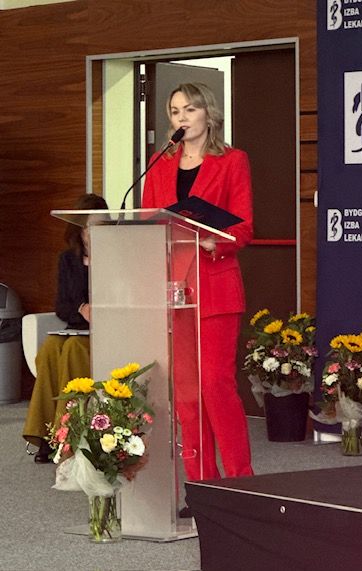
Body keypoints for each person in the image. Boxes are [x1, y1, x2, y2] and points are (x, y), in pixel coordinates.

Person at [142, 82, 254, 482]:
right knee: (186, 394)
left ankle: (241, 481)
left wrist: (215, 242)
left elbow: (244, 226)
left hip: (215, 286)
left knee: (216, 386)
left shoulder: (232, 160)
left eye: (190, 109)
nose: (182, 118)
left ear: (208, 113)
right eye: (175, 111)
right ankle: (201, 483)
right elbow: (148, 222)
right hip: (174, 291)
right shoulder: (158, 163)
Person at [22, 193, 108, 463]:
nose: (95, 232)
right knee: (50, 347)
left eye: (102, 225)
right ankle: (44, 437)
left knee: (72, 349)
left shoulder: (116, 256)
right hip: (76, 327)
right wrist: (82, 309)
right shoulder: (68, 260)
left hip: (105, 332)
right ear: (79, 229)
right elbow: (62, 306)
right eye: (91, 226)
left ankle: (66, 436)